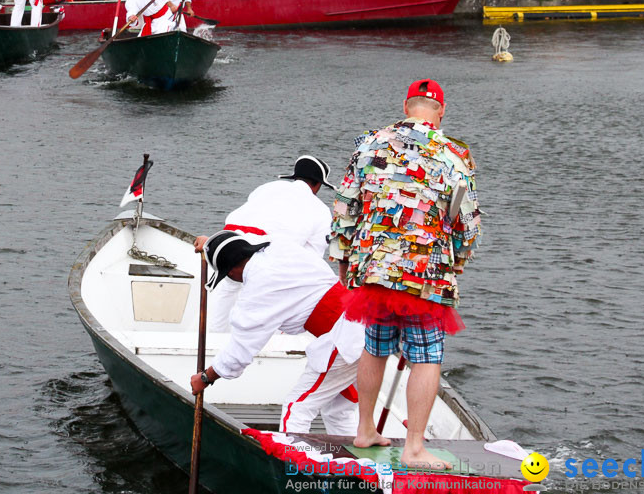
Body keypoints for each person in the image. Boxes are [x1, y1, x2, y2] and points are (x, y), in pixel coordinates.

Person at [331, 79, 481, 462]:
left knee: (375, 348)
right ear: (441, 111)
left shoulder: (369, 142)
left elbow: (346, 205)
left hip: (374, 270)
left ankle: (365, 430)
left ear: (405, 105)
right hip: (425, 274)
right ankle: (414, 447)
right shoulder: (454, 154)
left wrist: (345, 260)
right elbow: (467, 223)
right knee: (427, 357)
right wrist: (458, 261)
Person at [190, 229, 363, 437]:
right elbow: (244, 238)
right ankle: (355, 465)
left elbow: (239, 352)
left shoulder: (258, 291)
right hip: (367, 322)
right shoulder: (277, 245)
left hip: (345, 336)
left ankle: (294, 466)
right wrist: (211, 244)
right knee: (337, 410)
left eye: (226, 273)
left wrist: (206, 377)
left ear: (232, 270)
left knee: (297, 407)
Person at [195, 155, 337, 332]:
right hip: (266, 247)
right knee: (273, 292)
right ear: (318, 185)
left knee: (228, 287)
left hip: (228, 239)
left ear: (295, 176)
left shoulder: (267, 187)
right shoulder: (320, 209)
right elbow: (311, 258)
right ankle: (268, 338)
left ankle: (214, 335)